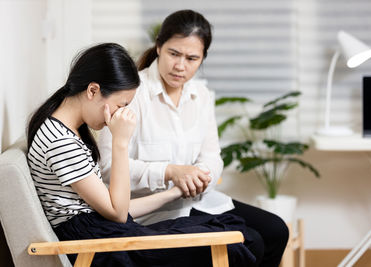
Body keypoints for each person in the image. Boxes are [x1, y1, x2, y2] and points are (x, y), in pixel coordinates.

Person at [26, 43, 256, 267]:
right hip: (97, 247)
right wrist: (120, 142)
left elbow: (117, 209)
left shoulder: (67, 130)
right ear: (93, 90)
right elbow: (117, 213)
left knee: (229, 227)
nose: (120, 115)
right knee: (231, 246)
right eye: (121, 105)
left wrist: (174, 193)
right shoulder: (61, 141)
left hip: (103, 235)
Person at [98, 10, 289, 267]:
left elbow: (212, 156)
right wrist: (171, 171)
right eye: (174, 54)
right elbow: (109, 168)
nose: (180, 66)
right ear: (158, 47)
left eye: (192, 58)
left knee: (276, 230)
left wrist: (199, 177)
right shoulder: (132, 93)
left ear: (202, 59)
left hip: (196, 200)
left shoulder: (201, 94)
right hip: (152, 210)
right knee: (252, 241)